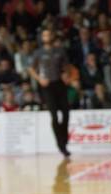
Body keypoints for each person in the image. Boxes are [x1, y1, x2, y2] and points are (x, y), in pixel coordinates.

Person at [27, 29, 70, 157]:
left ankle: (64, 139)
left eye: (49, 34)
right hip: (47, 86)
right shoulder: (38, 53)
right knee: (54, 116)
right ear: (42, 37)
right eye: (44, 35)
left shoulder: (60, 50)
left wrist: (66, 74)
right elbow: (31, 68)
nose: (47, 36)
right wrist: (39, 78)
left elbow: (66, 65)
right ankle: (61, 145)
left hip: (59, 84)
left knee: (66, 113)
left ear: (52, 36)